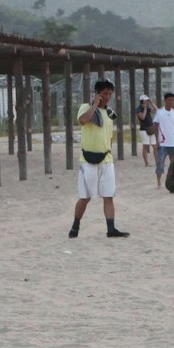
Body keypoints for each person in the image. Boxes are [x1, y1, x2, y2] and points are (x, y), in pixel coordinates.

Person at [70, 78, 129, 239]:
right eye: (105, 93)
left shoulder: (109, 113)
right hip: (87, 160)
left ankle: (111, 228)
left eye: (110, 93)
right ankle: (75, 225)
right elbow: (83, 120)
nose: (108, 97)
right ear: (97, 94)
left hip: (106, 159)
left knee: (108, 195)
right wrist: (95, 105)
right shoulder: (86, 108)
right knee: (85, 197)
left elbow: (109, 136)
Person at [151, 91, 174, 181]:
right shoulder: (159, 112)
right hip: (163, 143)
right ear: (165, 100)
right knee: (160, 163)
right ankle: (159, 181)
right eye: (169, 100)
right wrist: (157, 141)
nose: (171, 102)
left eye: (173, 100)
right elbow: (156, 127)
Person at [134, 95, 154, 166]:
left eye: (148, 100)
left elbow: (157, 110)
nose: (147, 102)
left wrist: (152, 104)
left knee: (155, 146)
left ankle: (158, 161)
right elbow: (142, 117)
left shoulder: (149, 107)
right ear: (142, 101)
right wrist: (145, 108)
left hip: (151, 128)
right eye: (146, 100)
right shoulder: (138, 109)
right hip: (143, 130)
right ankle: (146, 162)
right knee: (145, 146)